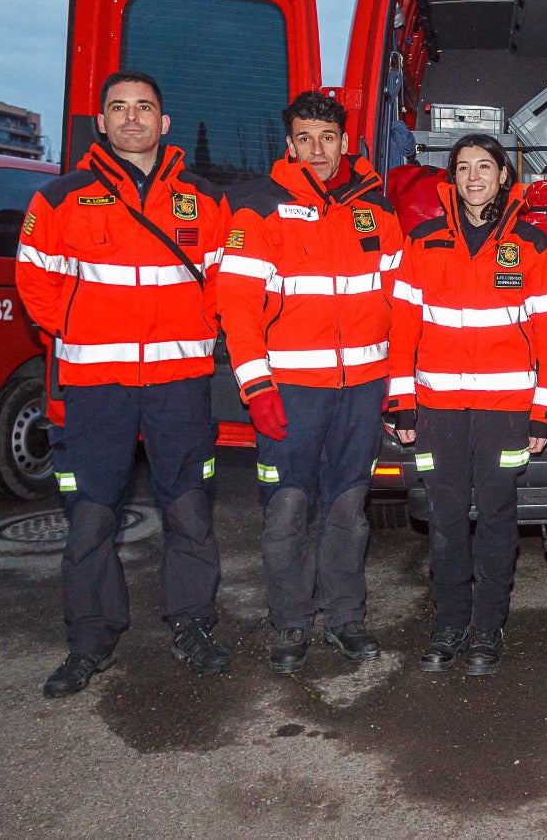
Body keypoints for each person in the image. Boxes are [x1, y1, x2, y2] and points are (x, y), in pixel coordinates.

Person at [16, 70, 232, 698]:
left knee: (189, 510)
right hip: (95, 386)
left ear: (164, 124)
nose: (132, 118)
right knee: (89, 517)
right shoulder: (60, 199)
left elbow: (225, 279)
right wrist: (81, 331)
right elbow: (35, 282)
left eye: (145, 108)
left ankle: (192, 624)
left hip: (179, 384)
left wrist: (204, 329)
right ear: (101, 123)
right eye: (119, 108)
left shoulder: (205, 199)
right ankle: (89, 641)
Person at [216, 91, 405, 675]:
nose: (318, 150)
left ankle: (346, 619)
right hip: (290, 393)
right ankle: (292, 623)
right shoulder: (260, 212)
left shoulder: (376, 210)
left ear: (345, 142)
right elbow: (237, 307)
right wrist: (257, 387)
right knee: (287, 510)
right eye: (305, 138)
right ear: (290, 144)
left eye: (328, 138)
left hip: (361, 390)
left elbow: (404, 305)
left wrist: (399, 388)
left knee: (349, 509)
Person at [387, 133, 547, 676]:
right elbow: (402, 328)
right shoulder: (421, 241)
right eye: (463, 167)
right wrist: (401, 399)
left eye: (484, 167)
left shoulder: (535, 245)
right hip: (438, 411)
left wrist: (546, 408)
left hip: (505, 412)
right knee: (444, 522)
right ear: (451, 178)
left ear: (503, 176)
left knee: (495, 520)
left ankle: (488, 628)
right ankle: (449, 625)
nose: (473, 177)